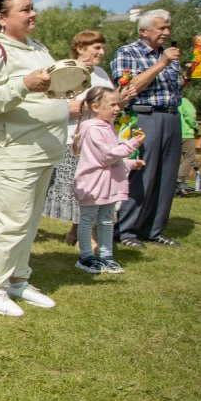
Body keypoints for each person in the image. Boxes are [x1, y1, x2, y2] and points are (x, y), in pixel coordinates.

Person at [0, 0, 67, 317]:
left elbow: (51, 91)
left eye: (32, 7)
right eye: (24, 9)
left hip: (43, 148)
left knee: (30, 220)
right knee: (12, 222)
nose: (33, 13)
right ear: (2, 17)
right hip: (12, 150)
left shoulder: (37, 47)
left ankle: (18, 279)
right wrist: (24, 84)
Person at [110, 10, 201, 248]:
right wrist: (162, 63)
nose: (167, 33)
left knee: (166, 175)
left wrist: (188, 75)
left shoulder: (169, 55)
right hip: (144, 116)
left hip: (171, 117)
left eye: (168, 28)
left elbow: (174, 88)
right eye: (161, 28)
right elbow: (127, 88)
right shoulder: (128, 52)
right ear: (144, 31)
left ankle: (154, 229)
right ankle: (126, 230)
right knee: (141, 173)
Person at [42, 31, 123, 246]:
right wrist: (87, 107)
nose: (101, 52)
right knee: (84, 191)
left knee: (95, 190)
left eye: (102, 47)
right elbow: (54, 107)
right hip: (74, 139)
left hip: (100, 140)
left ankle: (77, 234)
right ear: (80, 48)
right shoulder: (66, 71)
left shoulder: (101, 74)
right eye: (96, 47)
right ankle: (90, 240)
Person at [72, 87, 145, 274]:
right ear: (96, 107)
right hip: (93, 184)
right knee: (88, 220)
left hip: (108, 184)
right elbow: (106, 156)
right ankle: (86, 256)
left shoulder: (108, 127)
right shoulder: (93, 129)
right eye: (112, 104)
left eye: (118, 105)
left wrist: (129, 164)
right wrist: (132, 144)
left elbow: (111, 160)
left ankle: (106, 256)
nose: (117, 109)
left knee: (106, 221)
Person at [176, 96, 199, 191]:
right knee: (190, 158)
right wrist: (195, 126)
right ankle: (179, 179)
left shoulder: (170, 102)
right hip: (186, 133)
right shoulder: (183, 101)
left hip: (172, 132)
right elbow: (190, 116)